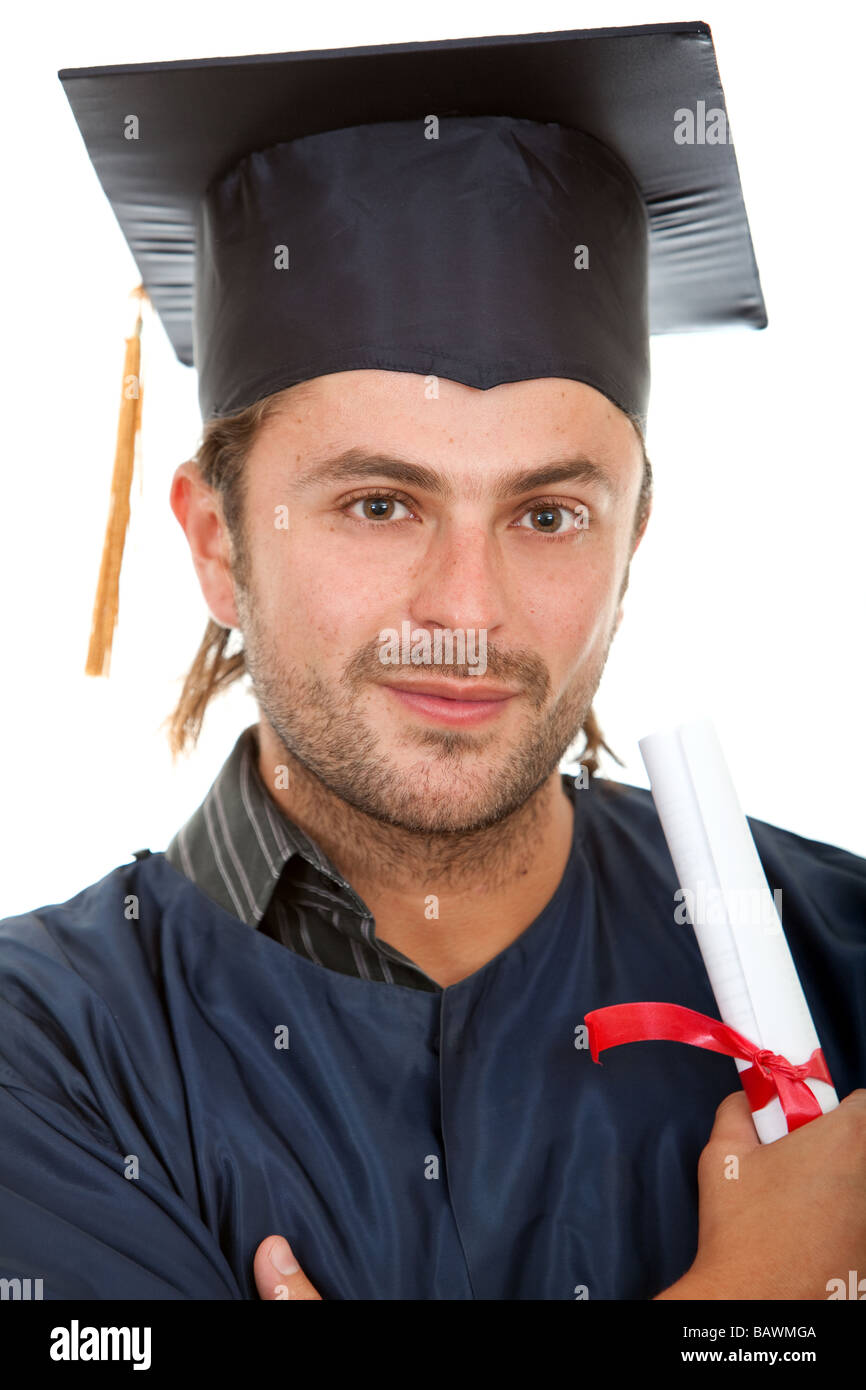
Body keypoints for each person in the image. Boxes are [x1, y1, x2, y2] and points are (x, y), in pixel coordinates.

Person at [1, 22, 864, 1302]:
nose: (468, 608)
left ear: (630, 544)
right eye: (378, 504)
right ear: (217, 543)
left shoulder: (838, 963)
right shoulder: (47, 1056)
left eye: (548, 514)